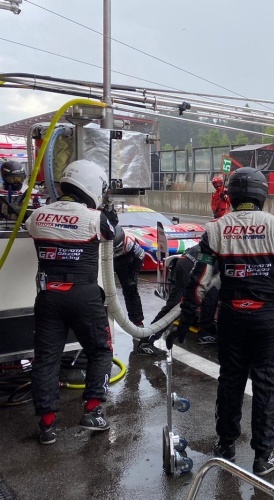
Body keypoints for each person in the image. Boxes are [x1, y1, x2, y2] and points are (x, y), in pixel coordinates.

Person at [167, 167, 274, 476]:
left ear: (232, 194)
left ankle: (226, 444)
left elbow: (199, 281)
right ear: (260, 194)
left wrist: (184, 321)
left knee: (230, 381)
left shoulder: (216, 228)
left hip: (231, 317)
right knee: (266, 384)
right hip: (268, 320)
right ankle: (263, 457)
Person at [26, 159, 117, 445]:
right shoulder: (94, 218)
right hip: (84, 295)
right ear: (91, 185)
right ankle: (92, 411)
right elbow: (112, 235)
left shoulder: (36, 216)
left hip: (49, 295)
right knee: (101, 350)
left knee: (47, 359)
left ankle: (47, 425)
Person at [112, 225, 145, 327]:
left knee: (130, 289)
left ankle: (137, 321)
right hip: (104, 257)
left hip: (126, 259)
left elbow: (140, 256)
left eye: (118, 250)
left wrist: (133, 275)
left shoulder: (129, 240)